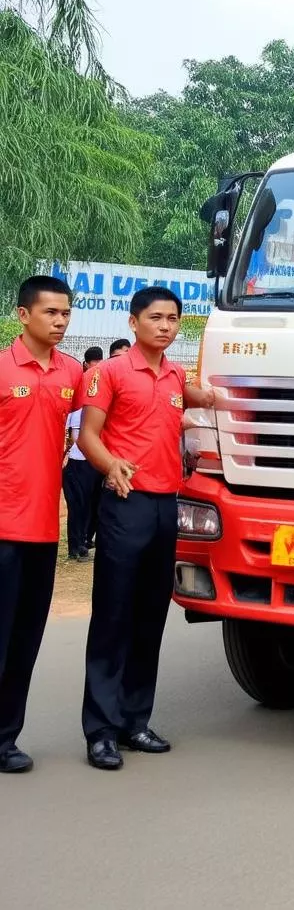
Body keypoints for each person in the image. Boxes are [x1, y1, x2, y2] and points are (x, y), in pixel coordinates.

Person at [78, 287, 214, 770]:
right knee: (113, 615)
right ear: (133, 323)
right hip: (125, 503)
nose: (165, 326)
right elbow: (87, 436)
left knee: (150, 614)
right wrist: (111, 466)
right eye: (155, 318)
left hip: (165, 505)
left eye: (173, 319)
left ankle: (135, 721)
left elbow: (201, 397)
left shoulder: (176, 375)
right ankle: (101, 731)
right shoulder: (110, 372)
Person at [0, 276, 82, 773]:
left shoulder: (71, 372)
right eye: (50, 312)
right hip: (2, 528)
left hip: (44, 529)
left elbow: (107, 418)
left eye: (66, 313)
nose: (60, 321)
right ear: (22, 314)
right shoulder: (2, 368)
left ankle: (6, 739)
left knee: (25, 639)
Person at [62, 346, 105, 561]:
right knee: (78, 505)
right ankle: (75, 546)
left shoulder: (100, 398)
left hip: (95, 461)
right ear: (86, 366)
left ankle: (85, 539)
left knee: (93, 503)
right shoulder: (76, 398)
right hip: (78, 460)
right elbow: (71, 434)